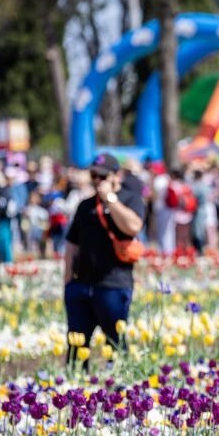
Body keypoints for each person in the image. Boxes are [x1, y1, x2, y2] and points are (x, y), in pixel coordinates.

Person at [64, 153, 146, 359]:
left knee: (115, 344)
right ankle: (77, 379)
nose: (97, 181)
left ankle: (118, 378)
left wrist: (110, 199)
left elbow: (133, 227)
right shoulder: (85, 206)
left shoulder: (131, 199)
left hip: (113, 284)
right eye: (94, 176)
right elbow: (72, 244)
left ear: (116, 176)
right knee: (76, 348)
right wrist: (68, 282)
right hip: (82, 284)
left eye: (103, 176)